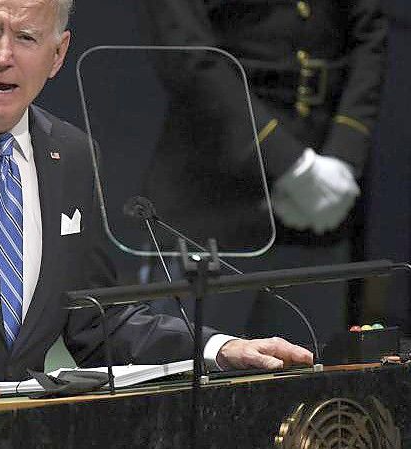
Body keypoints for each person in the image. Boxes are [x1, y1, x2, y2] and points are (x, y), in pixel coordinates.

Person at [0, 0, 313, 421]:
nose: (3, 56)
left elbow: (99, 320)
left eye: (27, 38)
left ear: (58, 54)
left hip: (23, 431)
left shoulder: (73, 155)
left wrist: (218, 350)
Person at [137, 0, 388, 344]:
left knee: (311, 384)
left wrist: (344, 155)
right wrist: (290, 164)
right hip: (215, 198)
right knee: (186, 379)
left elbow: (369, 32)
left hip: (323, 200)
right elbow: (185, 49)